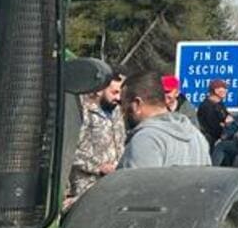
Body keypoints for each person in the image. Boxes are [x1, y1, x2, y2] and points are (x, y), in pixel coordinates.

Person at [117, 72, 213, 169]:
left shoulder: (146, 140)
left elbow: (136, 183)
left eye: (122, 103)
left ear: (136, 104)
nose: (122, 110)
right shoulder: (197, 136)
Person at [68, 72, 127, 202]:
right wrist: (99, 167)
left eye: (121, 93)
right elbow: (69, 151)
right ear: (100, 90)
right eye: (114, 92)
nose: (118, 98)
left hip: (114, 185)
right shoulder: (81, 111)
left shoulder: (118, 112)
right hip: (86, 187)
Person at [195, 78, 230, 150]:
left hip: (217, 141)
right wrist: (224, 125)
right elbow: (213, 127)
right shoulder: (207, 106)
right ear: (216, 90)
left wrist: (226, 123)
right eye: (223, 88)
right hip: (208, 143)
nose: (225, 91)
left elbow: (228, 118)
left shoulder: (220, 104)